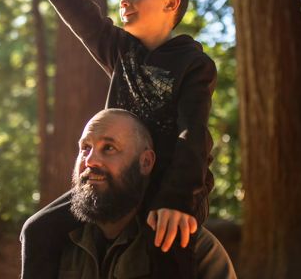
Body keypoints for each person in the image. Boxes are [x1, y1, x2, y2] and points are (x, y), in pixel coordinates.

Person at [0, 0, 218, 279]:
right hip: (115, 177)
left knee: (167, 238)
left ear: (171, 3)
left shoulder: (194, 64)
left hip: (171, 184)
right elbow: (79, 11)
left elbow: (194, 134)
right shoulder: (120, 51)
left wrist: (176, 201)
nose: (125, 2)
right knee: (37, 229)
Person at [60, 108, 236, 278]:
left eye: (108, 148)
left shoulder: (195, 251)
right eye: (85, 148)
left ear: (145, 162)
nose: (90, 161)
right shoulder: (55, 242)